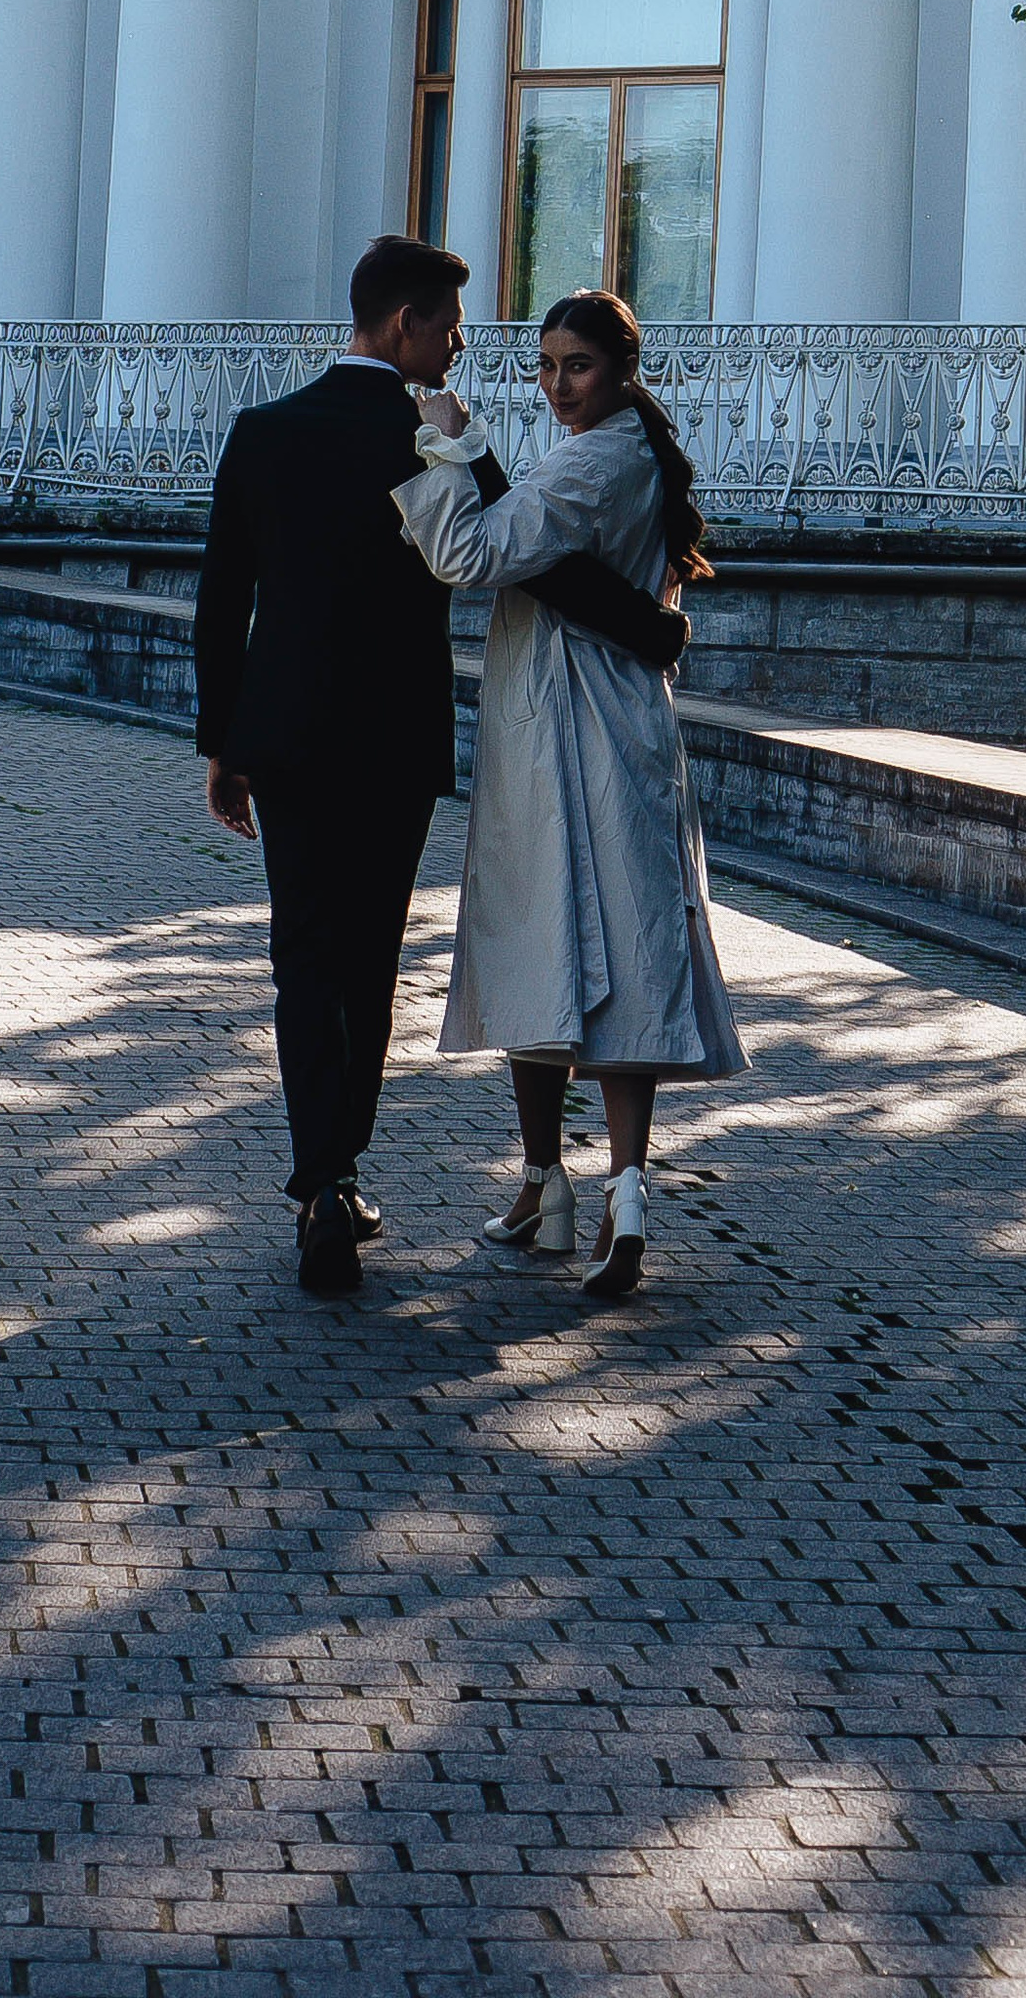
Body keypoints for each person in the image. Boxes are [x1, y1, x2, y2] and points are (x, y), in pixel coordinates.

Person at [195, 237, 692, 1298]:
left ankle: (326, 1182)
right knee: (368, 961)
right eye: (453, 327)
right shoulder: (435, 439)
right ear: (406, 325)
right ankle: (346, 1171)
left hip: (285, 738)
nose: (463, 347)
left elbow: (221, 599)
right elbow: (539, 567)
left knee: (302, 958)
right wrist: (656, 630)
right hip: (394, 743)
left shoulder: (263, 430)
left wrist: (220, 743)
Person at [393, 288, 746, 1305]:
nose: (556, 385)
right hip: (609, 728)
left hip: (568, 730)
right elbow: (536, 540)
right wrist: (477, 459)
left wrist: (447, 444)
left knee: (555, 941)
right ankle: (588, 1191)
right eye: (545, 365)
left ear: (621, 371)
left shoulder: (595, 461)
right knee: (605, 947)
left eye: (577, 366)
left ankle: (573, 1185)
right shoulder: (623, 451)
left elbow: (469, 553)